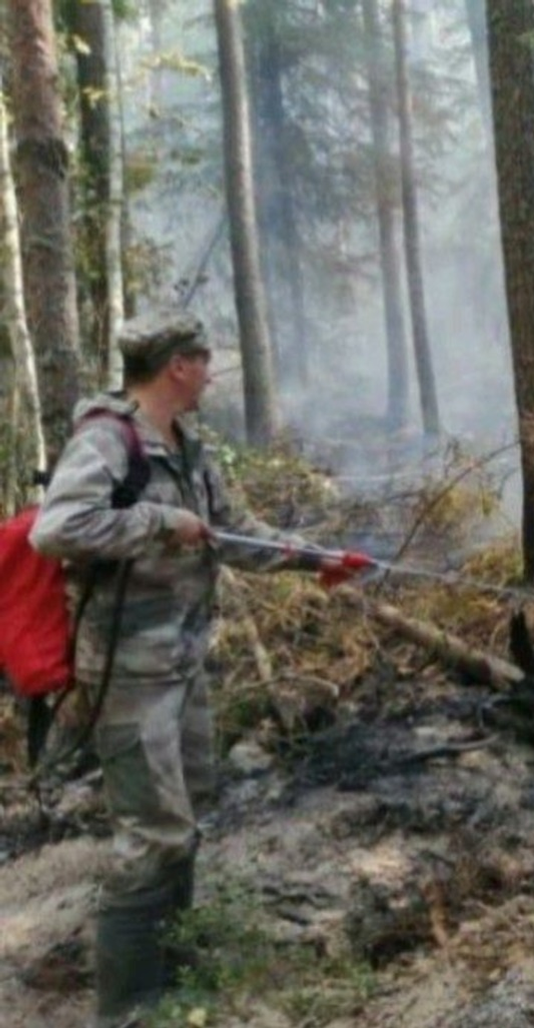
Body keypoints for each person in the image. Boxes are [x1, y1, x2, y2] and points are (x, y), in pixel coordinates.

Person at [28, 309, 370, 1027]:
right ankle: (127, 1010)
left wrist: (316, 559)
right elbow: (57, 530)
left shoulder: (190, 448)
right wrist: (157, 522)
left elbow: (232, 534)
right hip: (126, 674)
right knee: (151, 834)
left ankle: (175, 975)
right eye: (204, 360)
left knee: (184, 818)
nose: (212, 374)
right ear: (177, 366)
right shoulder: (108, 441)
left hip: (181, 666)